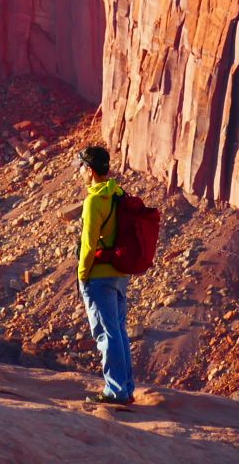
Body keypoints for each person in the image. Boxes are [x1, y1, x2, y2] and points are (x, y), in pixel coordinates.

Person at [76, 144, 133, 405]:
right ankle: (125, 388)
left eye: (81, 168)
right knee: (118, 330)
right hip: (120, 273)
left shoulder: (94, 200)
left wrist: (82, 273)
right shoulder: (117, 192)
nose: (80, 173)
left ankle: (116, 391)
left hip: (99, 275)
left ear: (89, 170)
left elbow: (88, 244)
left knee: (106, 333)